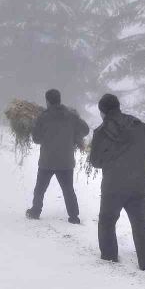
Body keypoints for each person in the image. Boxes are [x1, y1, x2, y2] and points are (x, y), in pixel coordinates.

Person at [90, 94, 145, 273]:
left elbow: (95, 162)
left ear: (102, 112)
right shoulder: (136, 124)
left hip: (113, 187)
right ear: (118, 106)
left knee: (107, 221)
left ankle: (109, 257)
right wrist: (144, 151)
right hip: (139, 183)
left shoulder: (101, 132)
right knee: (140, 223)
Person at [26, 89, 89, 224]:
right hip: (66, 161)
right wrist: (73, 135)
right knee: (68, 190)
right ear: (59, 99)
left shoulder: (43, 117)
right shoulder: (71, 116)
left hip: (47, 161)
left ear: (47, 101)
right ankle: (74, 217)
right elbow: (85, 130)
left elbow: (36, 138)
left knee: (40, 188)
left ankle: (35, 211)